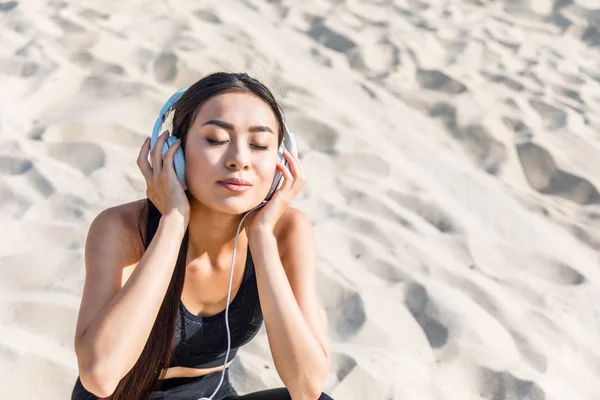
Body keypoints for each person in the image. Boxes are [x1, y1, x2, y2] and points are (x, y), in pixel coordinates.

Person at [71, 72, 333, 400]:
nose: (239, 159)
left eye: (259, 145)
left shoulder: (287, 231)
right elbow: (99, 376)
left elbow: (308, 386)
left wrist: (262, 236)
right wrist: (172, 222)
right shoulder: (122, 228)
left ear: (280, 161)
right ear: (173, 153)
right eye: (215, 139)